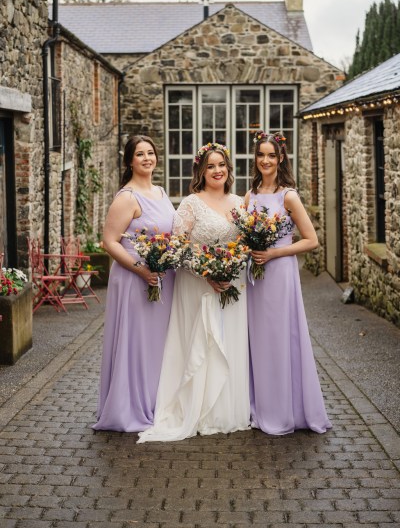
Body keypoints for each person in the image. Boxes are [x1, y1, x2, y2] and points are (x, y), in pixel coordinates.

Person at [137, 143, 250, 443]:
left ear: (229, 168)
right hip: (197, 284)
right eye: (210, 166)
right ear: (201, 170)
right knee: (202, 346)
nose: (217, 171)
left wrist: (229, 269)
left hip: (231, 285)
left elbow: (245, 245)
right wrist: (207, 273)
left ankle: (226, 410)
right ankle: (198, 410)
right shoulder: (191, 203)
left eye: (221, 165)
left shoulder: (240, 202)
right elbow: (178, 246)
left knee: (228, 343)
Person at [246, 132, 332, 435]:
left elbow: (312, 240)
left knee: (280, 337)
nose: (266, 161)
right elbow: (242, 234)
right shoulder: (252, 194)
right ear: (255, 158)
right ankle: (260, 405)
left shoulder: (288, 196)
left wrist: (274, 253)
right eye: (261, 155)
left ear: (281, 158)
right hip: (255, 275)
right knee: (257, 338)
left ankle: (285, 410)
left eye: (272, 155)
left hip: (280, 272)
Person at [93, 135, 175, 432]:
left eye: (150, 153)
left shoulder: (161, 192)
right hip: (133, 278)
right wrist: (141, 269)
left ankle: (154, 400)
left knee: (157, 344)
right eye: (139, 154)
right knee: (135, 342)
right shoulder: (126, 197)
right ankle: (128, 406)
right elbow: (109, 242)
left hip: (162, 277)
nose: (146, 158)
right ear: (129, 161)